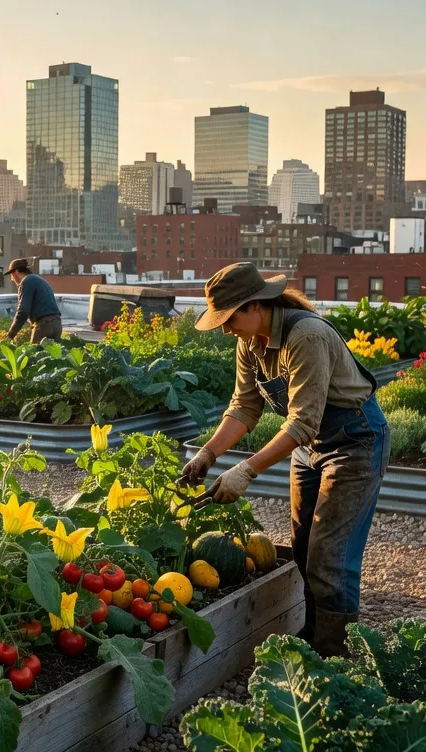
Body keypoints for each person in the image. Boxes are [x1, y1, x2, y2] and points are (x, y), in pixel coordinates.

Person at [179, 262, 389, 657]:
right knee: (304, 548)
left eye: (229, 318)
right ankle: (313, 639)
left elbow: (302, 423)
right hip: (310, 447)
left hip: (355, 441)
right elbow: (244, 407)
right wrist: (209, 453)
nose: (226, 329)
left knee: (331, 559)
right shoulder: (250, 343)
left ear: (256, 306)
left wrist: (245, 470)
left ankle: (335, 659)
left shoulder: (306, 336)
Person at [4, 258, 62, 343]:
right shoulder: (38, 279)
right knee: (55, 354)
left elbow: (22, 313)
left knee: (34, 354)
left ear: (16, 272)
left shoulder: (26, 282)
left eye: (11, 276)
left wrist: (10, 336)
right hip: (57, 324)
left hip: (44, 326)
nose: (12, 279)